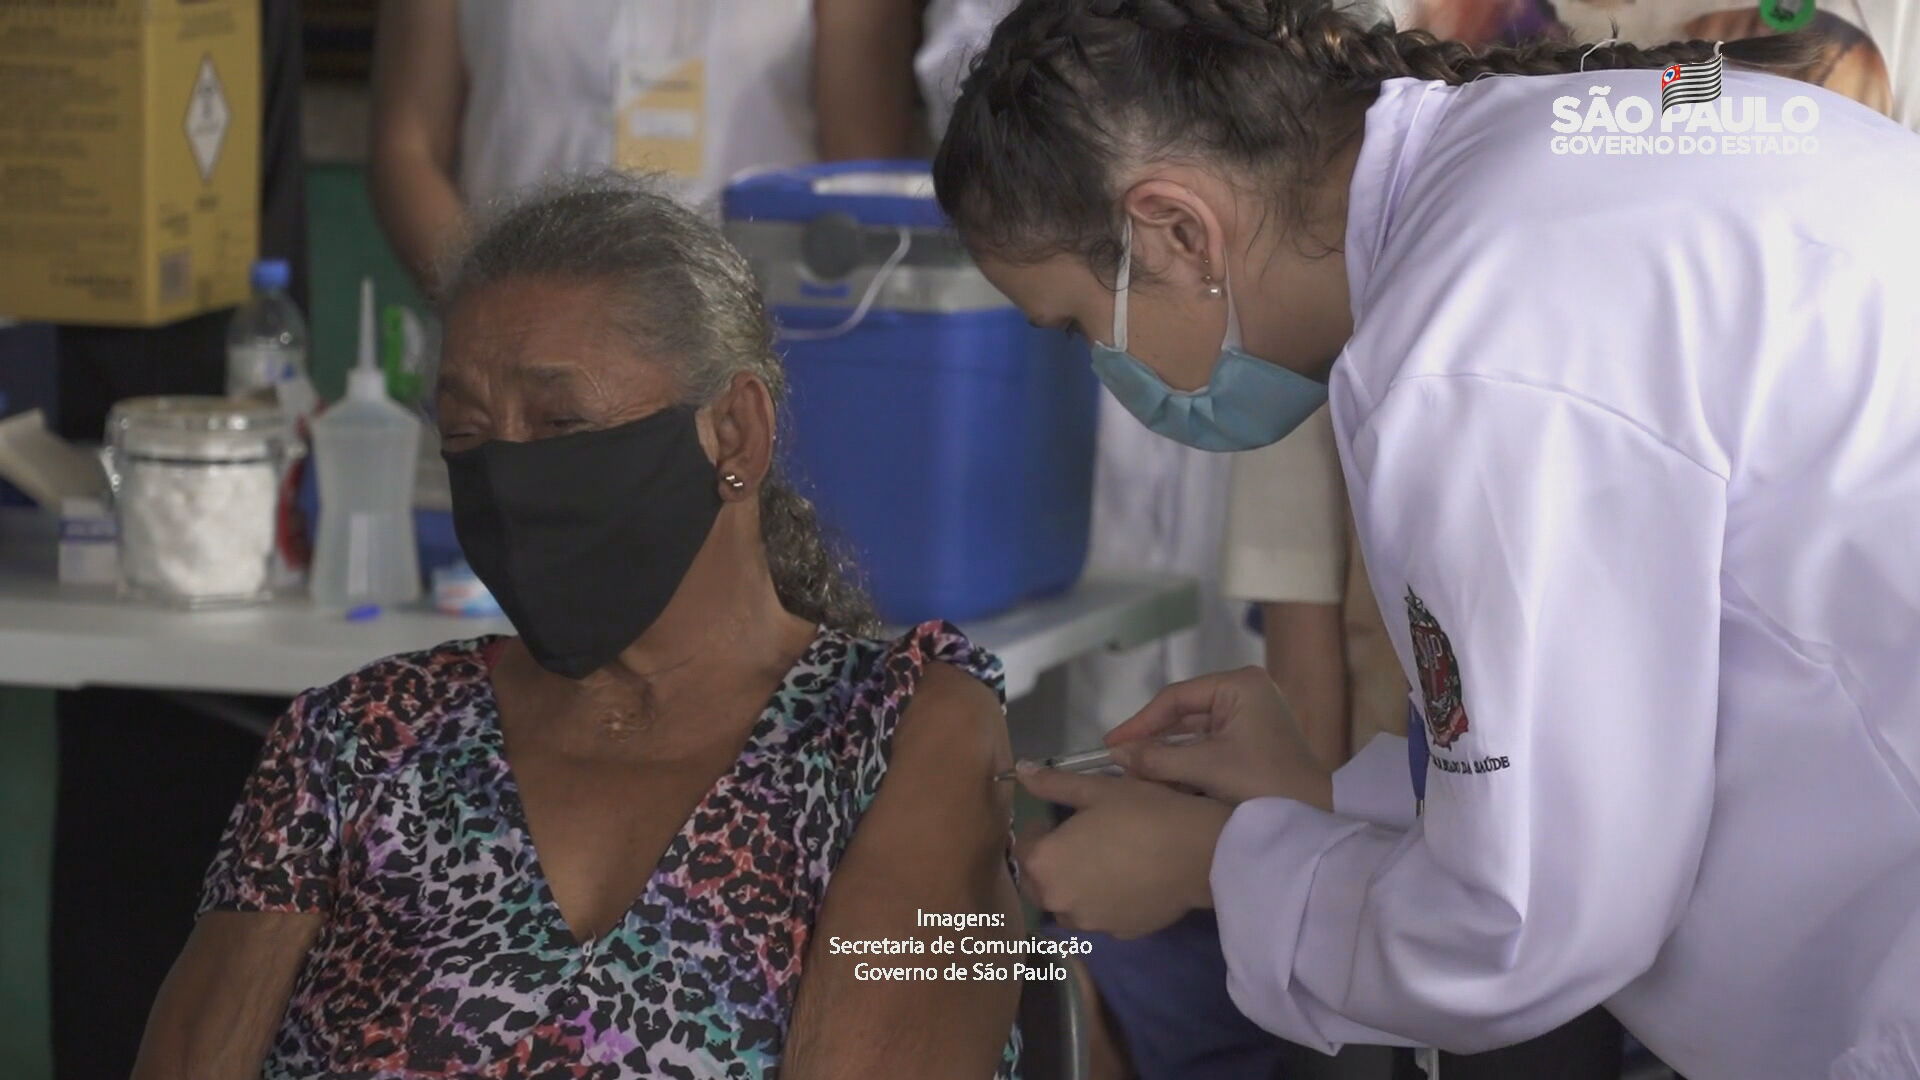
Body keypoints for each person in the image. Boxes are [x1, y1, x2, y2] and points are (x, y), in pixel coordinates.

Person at [929, 2, 1920, 1078]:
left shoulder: (1467, 354)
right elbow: (1624, 730)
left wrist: (1212, 865)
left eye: (1078, 325)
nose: (1106, 372)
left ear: (1177, 229)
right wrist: (1323, 795)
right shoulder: (1552, 147)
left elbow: (1526, 932)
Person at [131, 175, 1023, 1080]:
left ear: (733, 434)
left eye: (560, 422)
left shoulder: (912, 729)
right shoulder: (354, 741)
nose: (511, 477)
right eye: (469, 435)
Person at [369, 0, 919, 296]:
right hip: (521, 348)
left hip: (757, 349)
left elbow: (859, 172)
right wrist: (497, 305)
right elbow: (407, 147)